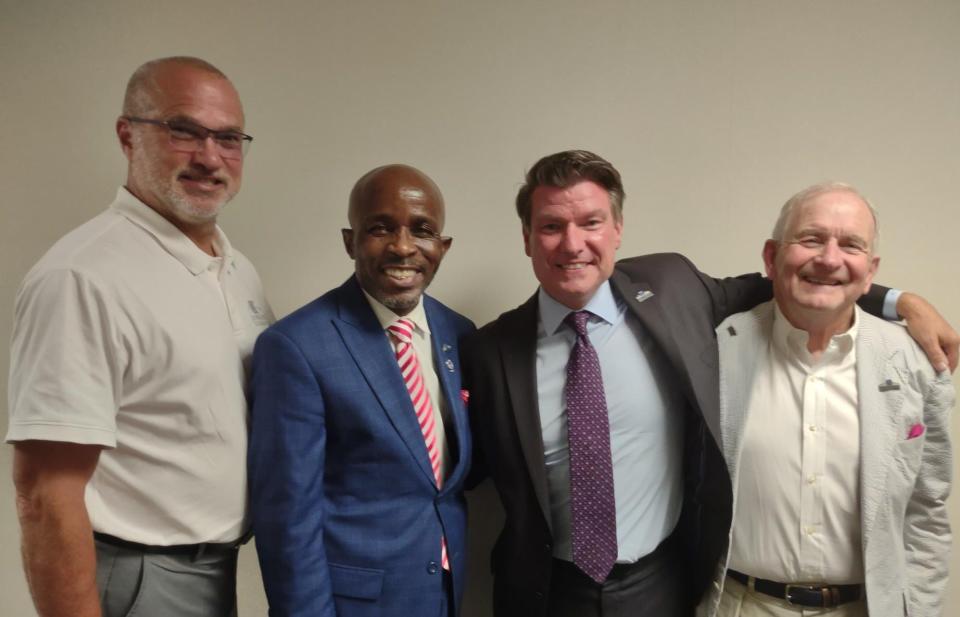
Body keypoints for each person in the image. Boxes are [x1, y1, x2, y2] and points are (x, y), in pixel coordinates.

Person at [460, 150, 958, 617]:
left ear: (616, 230)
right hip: (545, 593)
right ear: (527, 237)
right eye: (551, 227)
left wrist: (899, 301)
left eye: (591, 222)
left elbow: (800, 281)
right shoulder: (487, 353)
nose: (573, 244)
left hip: (661, 585)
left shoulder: (673, 290)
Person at [7, 56, 272, 617]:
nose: (209, 156)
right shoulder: (82, 277)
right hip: (137, 580)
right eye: (184, 130)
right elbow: (43, 495)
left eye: (228, 138)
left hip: (214, 570)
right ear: (128, 136)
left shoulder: (236, 267)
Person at [701, 183, 953, 617]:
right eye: (811, 239)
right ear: (770, 256)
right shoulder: (714, 351)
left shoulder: (915, 364)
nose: (830, 258)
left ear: (870, 270)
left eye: (850, 245)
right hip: (741, 606)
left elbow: (926, 512)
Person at [248, 164, 475, 617]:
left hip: (443, 595)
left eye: (422, 230)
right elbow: (287, 520)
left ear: (443, 247)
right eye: (380, 228)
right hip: (352, 605)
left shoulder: (459, 334)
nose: (403, 247)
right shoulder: (296, 347)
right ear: (350, 240)